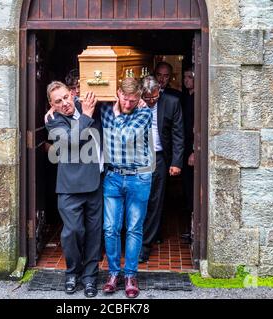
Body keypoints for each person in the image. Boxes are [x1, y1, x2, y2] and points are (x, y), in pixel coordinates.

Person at [44, 81, 104, 298]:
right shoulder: (53, 120)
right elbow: (70, 141)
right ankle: (72, 272)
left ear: (72, 94)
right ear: (52, 104)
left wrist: (142, 101)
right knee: (72, 232)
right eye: (58, 101)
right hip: (69, 186)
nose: (64, 103)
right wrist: (87, 116)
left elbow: (117, 97)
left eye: (66, 97)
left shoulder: (86, 104)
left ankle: (90, 277)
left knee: (94, 233)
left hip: (94, 183)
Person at [100, 78, 153, 299]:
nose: (129, 104)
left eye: (133, 100)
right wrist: (51, 111)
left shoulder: (145, 113)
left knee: (133, 228)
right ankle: (113, 273)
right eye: (125, 98)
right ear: (118, 92)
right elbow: (76, 101)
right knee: (110, 228)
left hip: (139, 177)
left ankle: (130, 275)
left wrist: (117, 112)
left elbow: (126, 137)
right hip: (112, 176)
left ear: (139, 97)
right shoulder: (103, 107)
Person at [139, 76, 184, 263]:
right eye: (147, 98)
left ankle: (146, 244)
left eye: (154, 98)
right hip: (138, 158)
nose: (151, 101)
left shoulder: (172, 103)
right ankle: (134, 239)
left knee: (155, 201)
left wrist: (176, 162)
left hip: (159, 157)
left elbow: (178, 134)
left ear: (160, 91)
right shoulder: (135, 103)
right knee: (139, 199)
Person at [180, 68, 195, 241]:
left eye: (190, 77)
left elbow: (196, 129)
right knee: (186, 190)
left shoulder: (197, 99)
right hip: (184, 149)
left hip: (191, 151)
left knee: (192, 190)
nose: (186, 80)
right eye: (185, 77)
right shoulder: (185, 98)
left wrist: (193, 150)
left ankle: (192, 230)